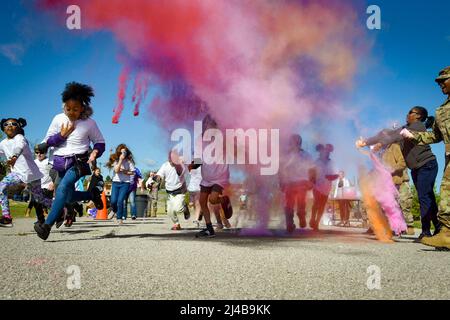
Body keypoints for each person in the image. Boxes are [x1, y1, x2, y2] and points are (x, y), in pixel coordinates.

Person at [34, 82, 105, 240]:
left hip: (79, 162)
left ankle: (46, 226)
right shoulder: (58, 119)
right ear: (63, 106)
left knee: (63, 188)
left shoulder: (89, 123)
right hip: (59, 163)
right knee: (66, 196)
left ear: (82, 108)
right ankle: (91, 194)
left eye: (75, 109)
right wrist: (62, 135)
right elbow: (46, 142)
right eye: (68, 109)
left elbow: (100, 142)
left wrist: (95, 152)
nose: (71, 112)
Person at [357, 106, 439, 239]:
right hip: (417, 168)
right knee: (427, 197)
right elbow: (385, 134)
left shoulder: (418, 126)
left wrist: (380, 144)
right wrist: (365, 142)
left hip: (427, 165)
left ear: (418, 116)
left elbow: (393, 136)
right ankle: (438, 228)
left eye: (410, 112)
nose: (407, 114)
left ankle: (426, 231)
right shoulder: (405, 127)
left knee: (425, 197)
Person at [401, 66, 450, 249]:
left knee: (428, 196)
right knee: (445, 196)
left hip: (427, 165)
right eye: (438, 81)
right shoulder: (442, 110)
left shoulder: (420, 123)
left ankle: (433, 230)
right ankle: (445, 233)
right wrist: (415, 137)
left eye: (443, 80)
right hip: (447, 157)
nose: (440, 84)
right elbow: (435, 136)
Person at [0, 118, 52, 226]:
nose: (9, 126)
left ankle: (61, 209)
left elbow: (19, 147)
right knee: (2, 186)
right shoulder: (3, 143)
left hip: (31, 173)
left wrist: (14, 157)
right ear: (3, 128)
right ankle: (7, 217)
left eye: (13, 124)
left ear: (18, 127)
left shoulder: (20, 138)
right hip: (18, 174)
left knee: (40, 199)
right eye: (6, 124)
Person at [195, 115, 233, 238]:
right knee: (202, 201)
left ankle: (223, 200)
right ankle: (209, 229)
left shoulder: (222, 137)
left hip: (219, 176)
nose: (207, 126)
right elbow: (198, 157)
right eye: (205, 124)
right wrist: (192, 165)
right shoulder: (200, 139)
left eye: (209, 124)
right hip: (206, 177)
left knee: (212, 199)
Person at [279, 134, 314, 233]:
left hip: (302, 182)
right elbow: (280, 169)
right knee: (289, 204)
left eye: (296, 141)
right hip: (289, 182)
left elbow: (312, 169)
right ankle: (289, 223)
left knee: (301, 202)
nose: (294, 143)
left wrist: (311, 181)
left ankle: (301, 215)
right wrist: (281, 181)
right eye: (293, 141)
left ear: (300, 143)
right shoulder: (286, 155)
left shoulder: (306, 155)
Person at [378, 142, 415, 235]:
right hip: (386, 183)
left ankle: (407, 227)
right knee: (389, 206)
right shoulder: (381, 151)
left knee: (402, 204)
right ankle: (394, 228)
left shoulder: (394, 147)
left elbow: (402, 163)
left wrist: (390, 169)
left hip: (397, 181)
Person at [152, 150, 189, 230]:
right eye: (169, 158)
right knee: (169, 211)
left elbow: (182, 172)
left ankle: (185, 207)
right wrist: (156, 177)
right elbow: (160, 175)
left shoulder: (181, 165)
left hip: (180, 190)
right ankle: (176, 224)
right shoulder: (165, 165)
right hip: (169, 192)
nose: (170, 160)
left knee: (178, 208)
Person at [310, 144, 338, 231]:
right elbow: (311, 172)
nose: (327, 153)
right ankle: (312, 218)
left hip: (326, 187)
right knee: (316, 203)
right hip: (317, 185)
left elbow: (336, 175)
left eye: (328, 152)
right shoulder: (317, 161)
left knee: (322, 205)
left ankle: (317, 222)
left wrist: (332, 177)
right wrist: (312, 181)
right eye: (326, 151)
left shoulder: (331, 162)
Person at [106, 144, 135, 224]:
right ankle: (114, 210)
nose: (123, 153)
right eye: (121, 152)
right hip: (115, 182)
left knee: (120, 200)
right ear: (119, 152)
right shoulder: (116, 160)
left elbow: (133, 172)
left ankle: (119, 218)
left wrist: (125, 171)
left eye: (124, 152)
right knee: (113, 201)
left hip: (125, 183)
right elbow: (116, 170)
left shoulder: (129, 162)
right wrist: (120, 160)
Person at [25, 145, 54, 219]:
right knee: (36, 203)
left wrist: (53, 183)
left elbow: (55, 172)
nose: (39, 154)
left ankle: (61, 213)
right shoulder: (33, 162)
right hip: (37, 187)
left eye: (41, 152)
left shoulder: (49, 161)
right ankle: (40, 221)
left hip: (48, 186)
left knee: (48, 204)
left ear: (45, 152)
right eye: (37, 152)